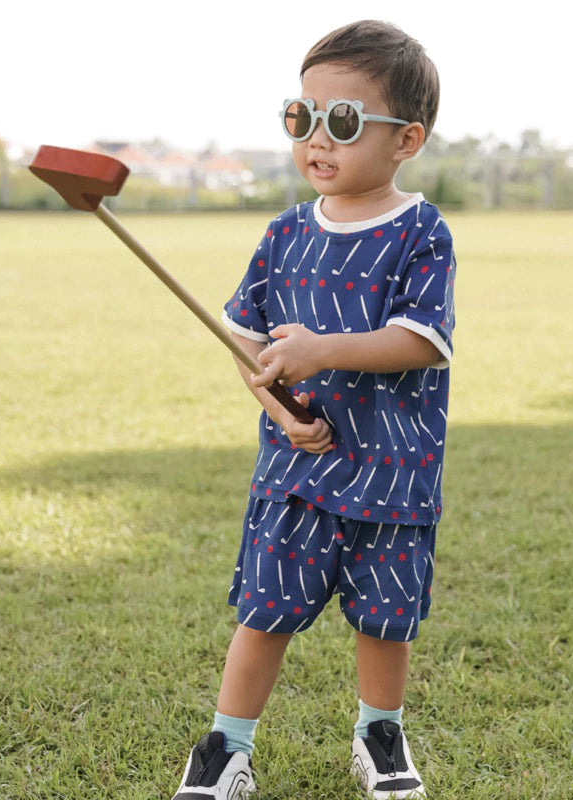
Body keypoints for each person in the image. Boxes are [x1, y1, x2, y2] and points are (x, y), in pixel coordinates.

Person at [172, 19, 455, 800]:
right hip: (296, 472)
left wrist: (323, 348)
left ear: (406, 140)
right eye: (302, 117)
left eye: (343, 122)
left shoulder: (421, 231)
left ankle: (380, 734)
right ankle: (226, 748)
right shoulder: (284, 232)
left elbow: (421, 341)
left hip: (394, 477)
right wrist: (275, 398)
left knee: (383, 622)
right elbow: (249, 342)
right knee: (263, 614)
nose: (316, 140)